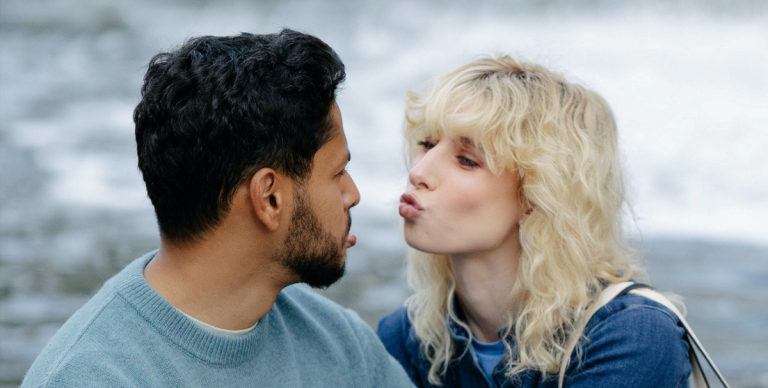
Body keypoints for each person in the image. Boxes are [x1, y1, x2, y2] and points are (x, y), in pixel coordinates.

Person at [23, 29, 413, 387]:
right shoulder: (89, 377)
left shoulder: (340, 346)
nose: (353, 193)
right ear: (269, 198)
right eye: (338, 172)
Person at [377, 56, 692, 387]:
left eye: (467, 160)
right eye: (427, 144)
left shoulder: (630, 337)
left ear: (537, 195)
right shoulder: (404, 339)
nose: (419, 172)